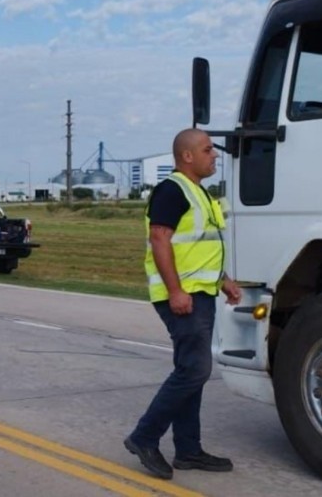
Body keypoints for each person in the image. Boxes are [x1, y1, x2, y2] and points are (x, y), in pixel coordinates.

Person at [124, 128, 242, 480]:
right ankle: (144, 437)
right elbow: (160, 239)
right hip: (183, 297)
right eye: (208, 150)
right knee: (194, 371)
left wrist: (224, 281)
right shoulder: (172, 189)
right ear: (187, 156)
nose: (215, 155)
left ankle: (188, 450)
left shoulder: (199, 193)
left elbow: (198, 247)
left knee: (191, 371)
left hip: (199, 293)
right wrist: (176, 291)